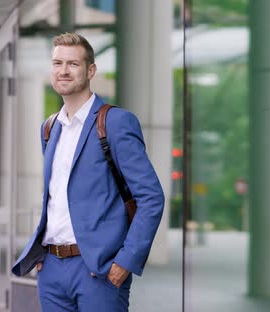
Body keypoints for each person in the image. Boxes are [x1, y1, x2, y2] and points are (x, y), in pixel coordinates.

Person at [12, 33, 164, 311]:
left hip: (99, 271)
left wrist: (126, 261)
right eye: (57, 63)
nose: (63, 71)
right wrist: (43, 256)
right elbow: (56, 196)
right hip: (52, 271)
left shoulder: (116, 122)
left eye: (73, 64)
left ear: (90, 70)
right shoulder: (49, 128)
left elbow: (151, 197)